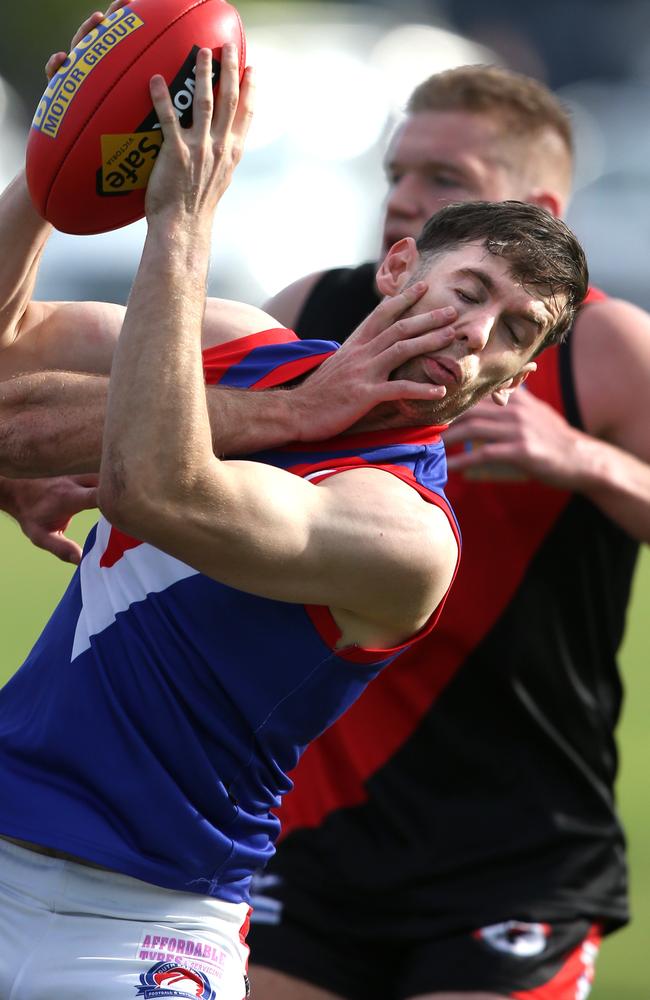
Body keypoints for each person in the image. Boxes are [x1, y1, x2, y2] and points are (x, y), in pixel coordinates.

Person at [0, 39, 589, 1000]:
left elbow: (158, 484)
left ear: (510, 384)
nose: (478, 331)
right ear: (399, 268)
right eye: (471, 289)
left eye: (516, 331)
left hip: (140, 934)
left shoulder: (406, 535)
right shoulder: (251, 352)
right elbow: (8, 363)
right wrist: (50, 158)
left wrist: (179, 226)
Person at [247, 68, 650, 1000]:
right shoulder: (310, 314)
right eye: (397, 171)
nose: (401, 197)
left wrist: (583, 458)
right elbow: (178, 445)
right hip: (306, 824)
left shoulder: (601, 351)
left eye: (443, 180)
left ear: (538, 210)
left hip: (517, 846)